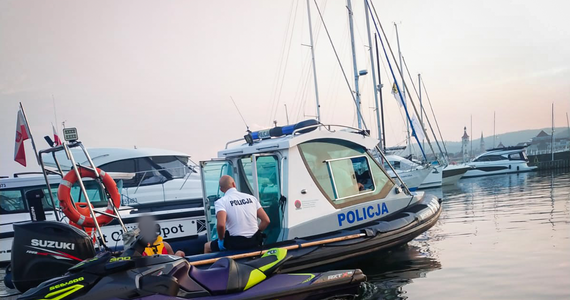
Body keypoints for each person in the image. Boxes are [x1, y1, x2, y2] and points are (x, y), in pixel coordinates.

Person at [204, 175, 270, 253]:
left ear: (221, 190)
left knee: (207, 246)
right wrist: (256, 233)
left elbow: (221, 225)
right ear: (234, 184)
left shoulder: (221, 202)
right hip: (254, 241)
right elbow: (266, 220)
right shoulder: (252, 198)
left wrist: (221, 240)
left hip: (235, 244)